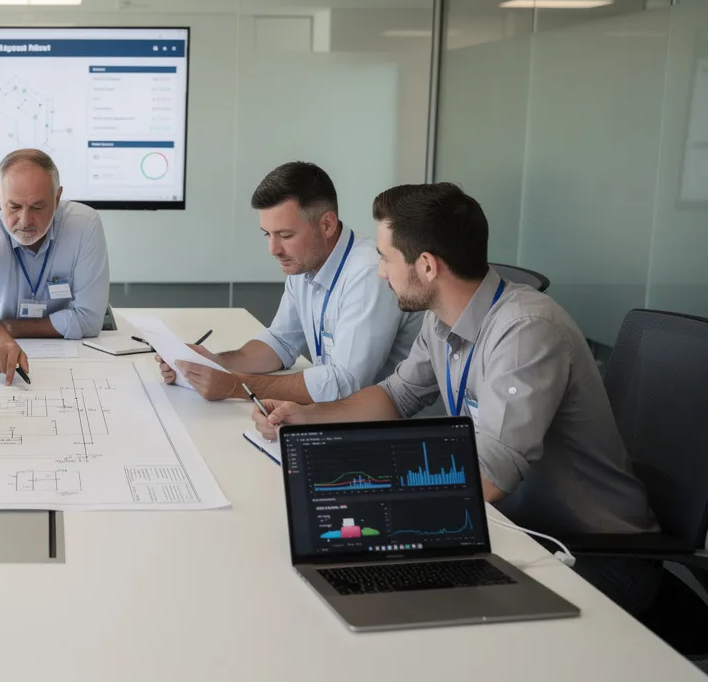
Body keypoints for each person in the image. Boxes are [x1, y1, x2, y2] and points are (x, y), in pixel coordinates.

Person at [254, 182, 661, 616]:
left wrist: (359, 487)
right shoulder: (443, 320)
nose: (380, 273)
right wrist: (310, 418)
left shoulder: (526, 333)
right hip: (511, 529)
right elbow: (395, 396)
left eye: (386, 260)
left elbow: (488, 478)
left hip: (592, 555)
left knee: (397, 605)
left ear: (426, 266)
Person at [159, 161, 421, 403]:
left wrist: (236, 386)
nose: (273, 249)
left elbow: (345, 383)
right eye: (268, 235)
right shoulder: (304, 263)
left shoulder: (369, 272)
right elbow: (280, 342)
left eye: (285, 235)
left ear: (327, 224)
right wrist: (215, 363)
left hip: (379, 429)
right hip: (334, 414)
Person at [0, 148, 110, 384]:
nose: (25, 221)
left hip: (70, 358)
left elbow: (88, 320)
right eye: (14, 207)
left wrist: (5, 328)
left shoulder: (84, 225)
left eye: (37, 207)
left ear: (57, 198)